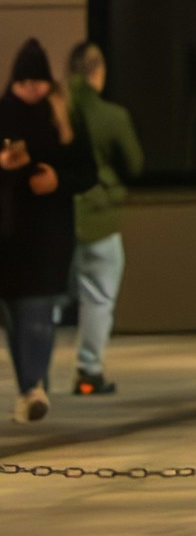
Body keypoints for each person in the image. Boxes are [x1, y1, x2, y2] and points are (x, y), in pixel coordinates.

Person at [58, 33, 139, 397]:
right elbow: (134, 164)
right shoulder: (113, 116)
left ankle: (33, 379)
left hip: (54, 218)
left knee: (39, 300)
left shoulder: (56, 114)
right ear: (97, 72)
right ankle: (88, 371)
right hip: (98, 222)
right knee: (98, 297)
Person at [0, 36, 74, 421]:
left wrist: (56, 177)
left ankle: (33, 387)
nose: (32, 90)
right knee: (16, 314)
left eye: (39, 82)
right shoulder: (4, 113)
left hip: (49, 232)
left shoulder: (59, 115)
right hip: (10, 234)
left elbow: (83, 166)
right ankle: (32, 386)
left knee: (38, 310)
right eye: (25, 83)